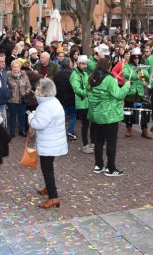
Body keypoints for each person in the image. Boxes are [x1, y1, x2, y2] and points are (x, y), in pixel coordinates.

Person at [28, 78, 68, 208]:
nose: (36, 90)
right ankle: (49, 188)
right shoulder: (53, 101)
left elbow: (38, 124)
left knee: (47, 168)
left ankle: (53, 197)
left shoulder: (46, 106)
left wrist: (31, 117)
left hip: (49, 143)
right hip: (53, 141)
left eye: (39, 89)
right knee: (48, 167)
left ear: (44, 93)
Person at [88, 58, 130, 177]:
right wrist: (126, 86)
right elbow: (119, 95)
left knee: (98, 141)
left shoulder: (91, 77)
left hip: (96, 115)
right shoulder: (109, 80)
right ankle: (110, 168)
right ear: (108, 67)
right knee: (111, 142)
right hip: (109, 116)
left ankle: (98, 165)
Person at [121, 48, 150, 138]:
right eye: (135, 58)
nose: (136, 59)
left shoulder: (142, 66)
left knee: (143, 111)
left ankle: (144, 130)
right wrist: (136, 75)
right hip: (130, 91)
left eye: (138, 58)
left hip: (139, 92)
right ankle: (128, 129)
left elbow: (147, 76)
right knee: (128, 111)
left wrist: (142, 74)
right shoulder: (127, 65)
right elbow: (125, 74)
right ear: (132, 58)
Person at [70, 55, 95, 154]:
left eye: (86, 64)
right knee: (85, 124)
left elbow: (88, 85)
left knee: (92, 122)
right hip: (81, 102)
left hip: (88, 101)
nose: (85, 66)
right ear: (78, 64)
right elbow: (77, 89)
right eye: (83, 64)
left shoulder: (84, 74)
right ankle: (85, 145)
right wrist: (89, 93)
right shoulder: (74, 75)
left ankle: (93, 143)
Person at [53, 59, 77, 140]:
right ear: (70, 65)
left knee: (62, 116)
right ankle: (70, 132)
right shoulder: (73, 74)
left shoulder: (57, 75)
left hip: (61, 99)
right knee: (72, 116)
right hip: (71, 99)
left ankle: (60, 132)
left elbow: (55, 87)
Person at [7, 59, 31, 137]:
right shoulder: (8, 76)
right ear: (12, 68)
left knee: (22, 116)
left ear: (20, 68)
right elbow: (6, 87)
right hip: (12, 99)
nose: (15, 68)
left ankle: (22, 130)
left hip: (22, 99)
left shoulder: (24, 75)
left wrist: (26, 93)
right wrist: (10, 92)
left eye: (17, 67)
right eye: (14, 67)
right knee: (12, 116)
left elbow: (28, 86)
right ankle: (12, 131)